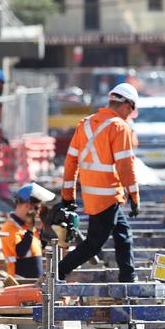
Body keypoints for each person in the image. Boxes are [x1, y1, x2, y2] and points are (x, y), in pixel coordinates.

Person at [57, 83, 140, 282]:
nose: (130, 115)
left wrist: (68, 196)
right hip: (108, 195)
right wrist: (134, 196)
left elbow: (70, 162)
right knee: (93, 244)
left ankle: (128, 276)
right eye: (132, 110)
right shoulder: (120, 127)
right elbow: (125, 165)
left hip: (94, 195)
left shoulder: (85, 124)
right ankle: (59, 271)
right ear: (127, 105)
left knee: (123, 234)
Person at [1, 182, 55, 278]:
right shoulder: (9, 227)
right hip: (19, 281)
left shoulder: (28, 227)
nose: (38, 212)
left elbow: (39, 248)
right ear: (27, 206)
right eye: (37, 208)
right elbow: (20, 252)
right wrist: (30, 230)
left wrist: (45, 226)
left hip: (34, 282)